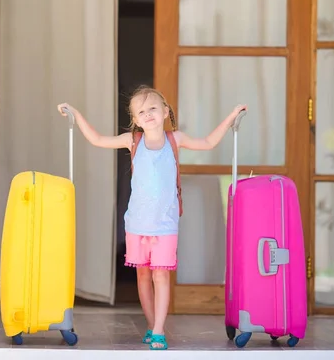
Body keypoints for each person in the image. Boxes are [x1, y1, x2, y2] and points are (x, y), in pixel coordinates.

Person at [57, 85, 246, 350]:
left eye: (153, 108)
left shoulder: (175, 140)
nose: (148, 114)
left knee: (161, 277)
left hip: (165, 225)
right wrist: (75, 115)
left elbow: (208, 142)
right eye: (141, 111)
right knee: (143, 277)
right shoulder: (132, 140)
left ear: (166, 111)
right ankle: (151, 324)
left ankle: (159, 330)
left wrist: (231, 117)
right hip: (136, 224)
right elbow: (97, 139)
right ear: (134, 119)